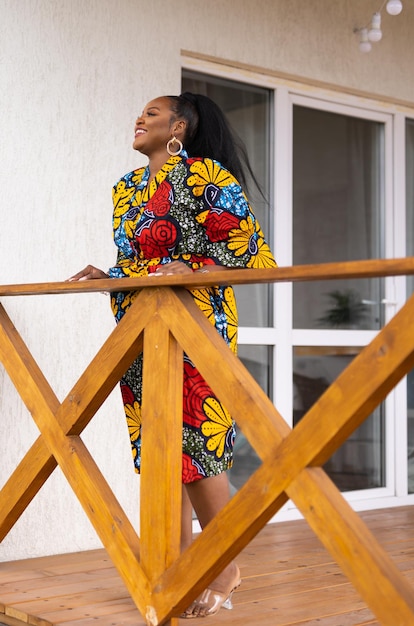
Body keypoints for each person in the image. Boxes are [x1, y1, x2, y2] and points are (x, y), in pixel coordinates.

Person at [69, 92, 276, 618]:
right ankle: (175, 569)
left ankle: (225, 565)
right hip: (139, 330)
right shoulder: (127, 189)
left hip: (197, 325)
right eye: (139, 112)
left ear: (179, 126)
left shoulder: (208, 178)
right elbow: (140, 261)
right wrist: (109, 275)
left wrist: (195, 270)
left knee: (198, 450)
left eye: (153, 114)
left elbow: (250, 254)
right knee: (161, 451)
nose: (139, 118)